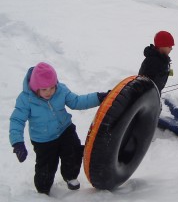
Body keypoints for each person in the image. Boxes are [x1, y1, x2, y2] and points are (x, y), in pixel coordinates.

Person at [9, 62, 109, 194]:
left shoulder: (61, 90)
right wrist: (17, 143)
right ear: (35, 88)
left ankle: (70, 176)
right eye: (44, 89)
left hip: (65, 130)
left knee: (73, 153)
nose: (49, 92)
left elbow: (77, 101)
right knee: (46, 166)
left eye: (51, 88)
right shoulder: (26, 99)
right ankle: (43, 189)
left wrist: (98, 98)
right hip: (43, 140)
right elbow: (17, 120)